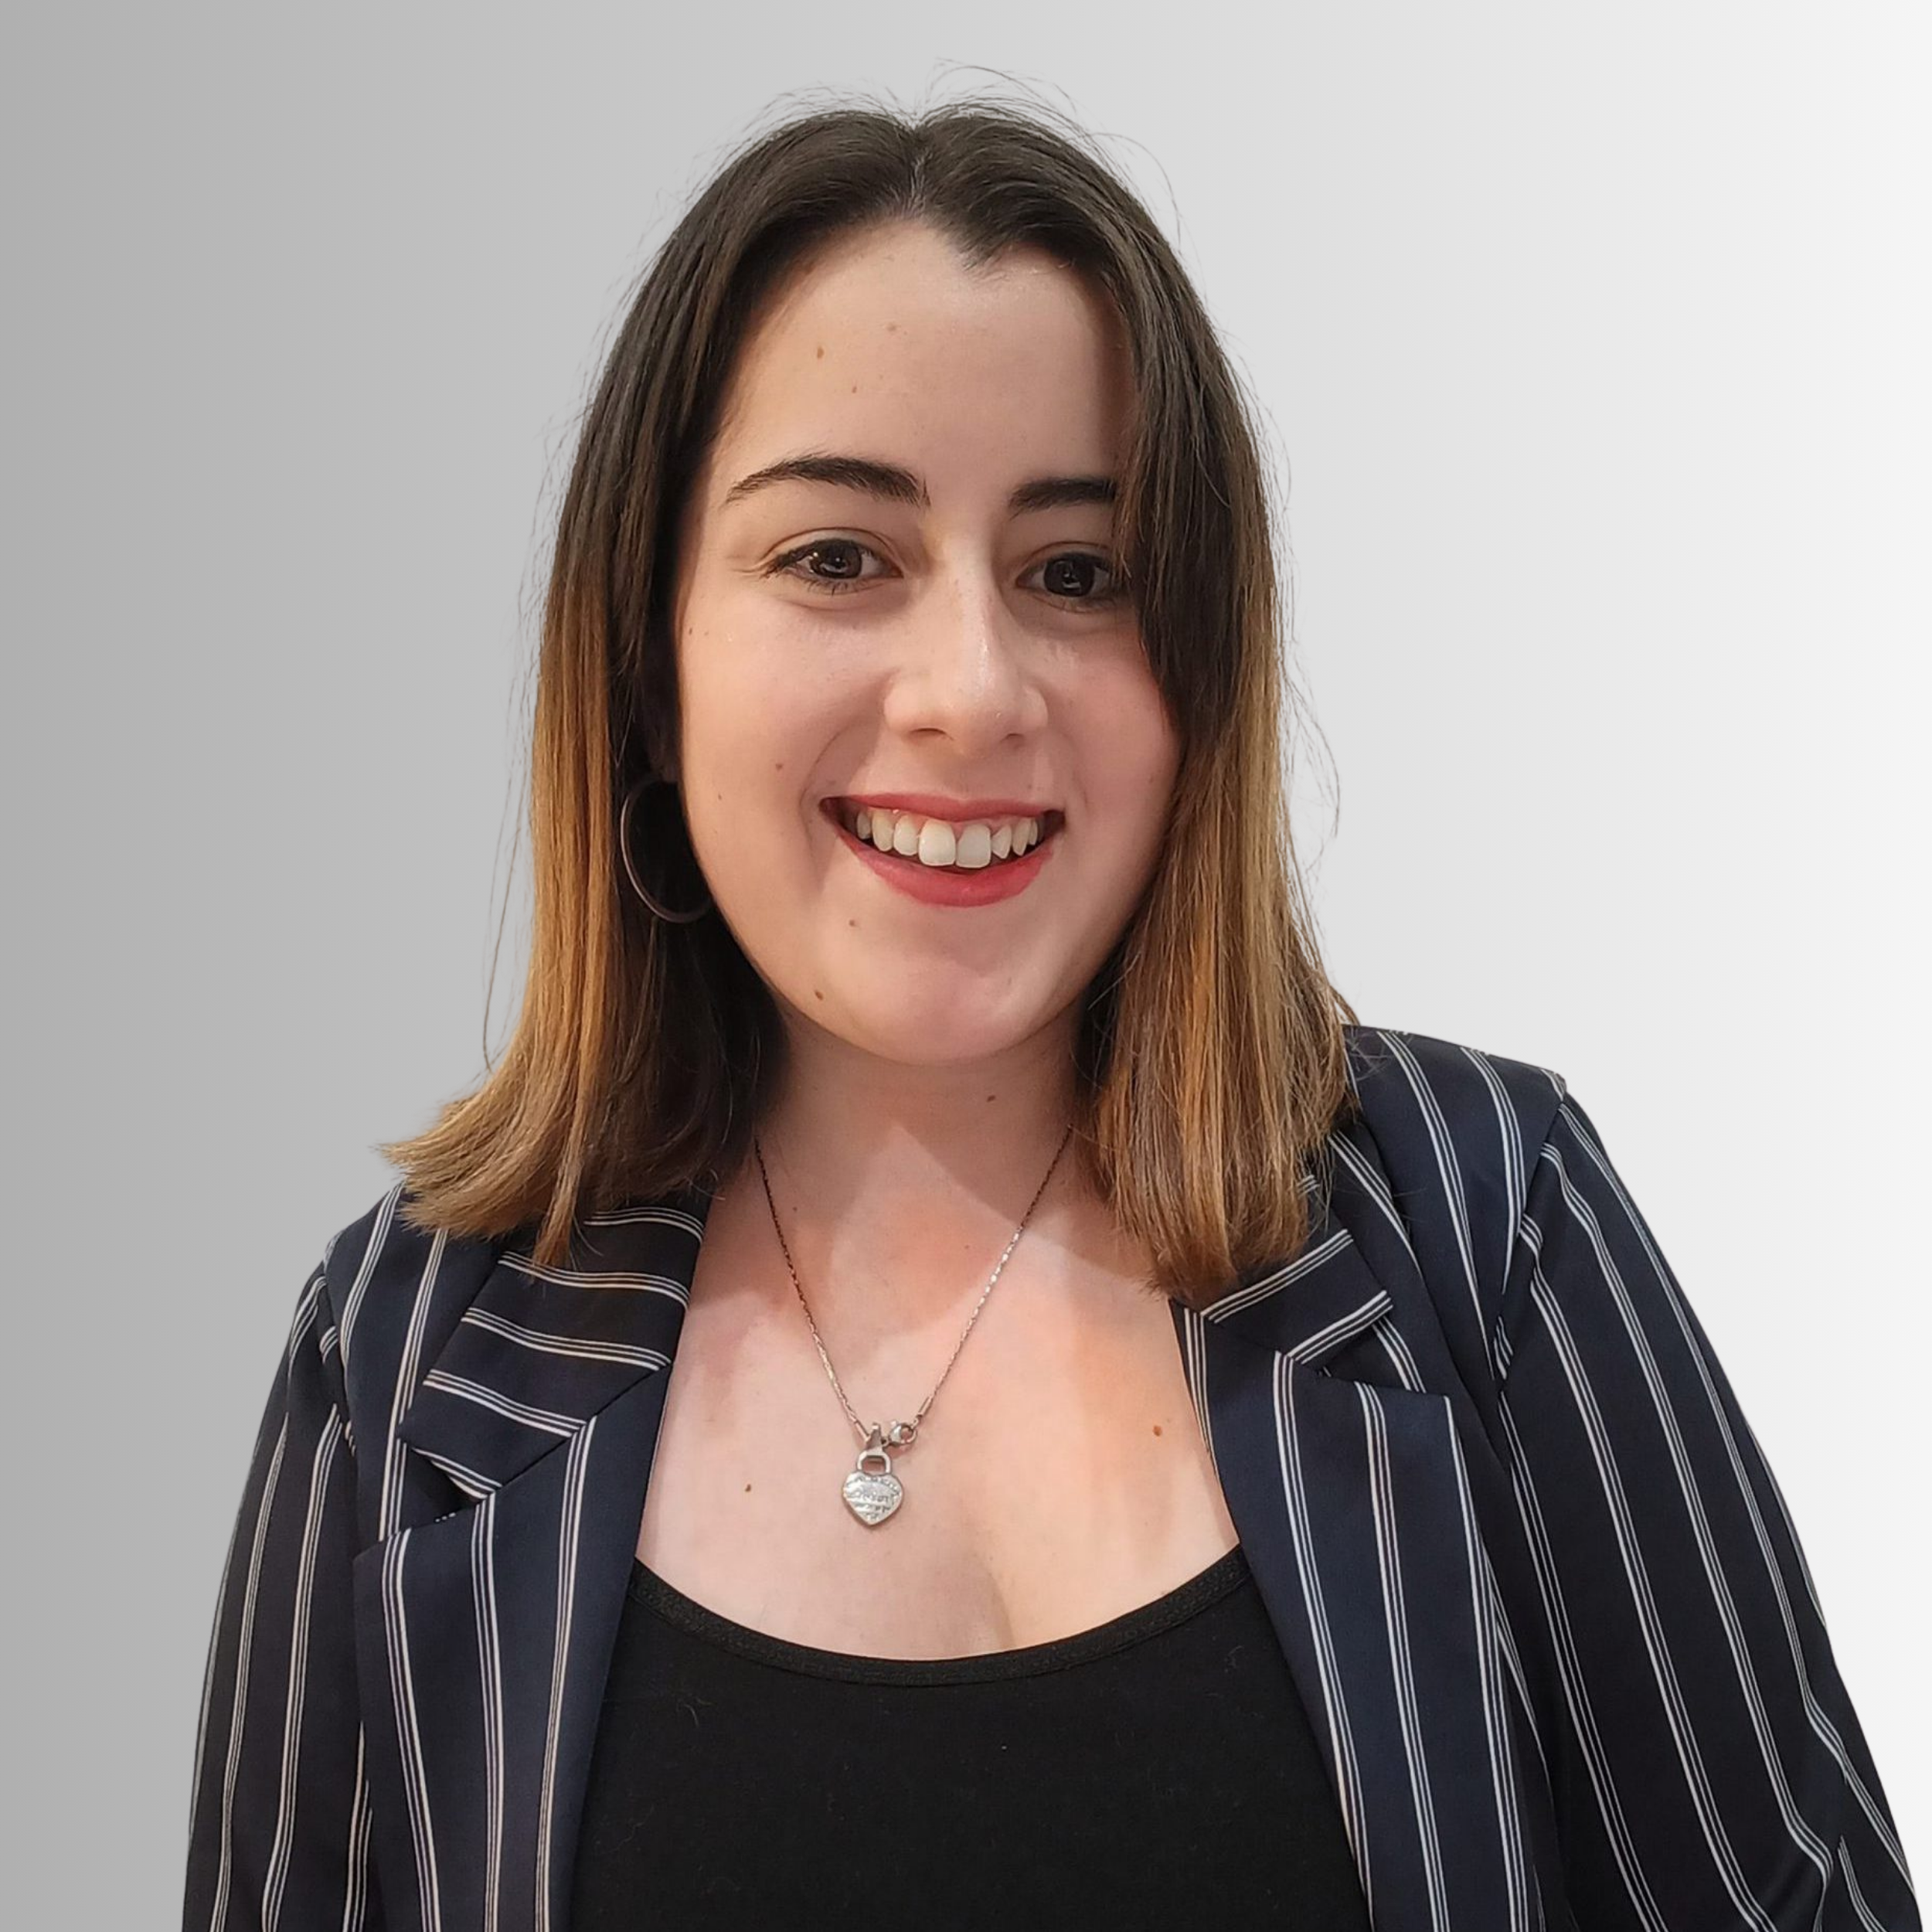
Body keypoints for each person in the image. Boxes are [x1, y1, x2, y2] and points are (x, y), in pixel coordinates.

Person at [181, 96, 1920, 1931]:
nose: (970, 689)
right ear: (648, 662)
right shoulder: (400, 1352)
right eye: (836, 556)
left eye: (1077, 573)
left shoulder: (1486, 1222)